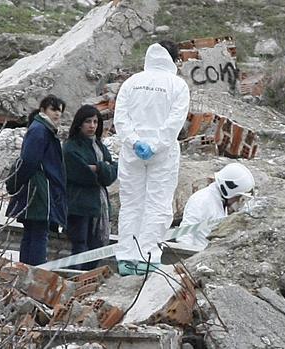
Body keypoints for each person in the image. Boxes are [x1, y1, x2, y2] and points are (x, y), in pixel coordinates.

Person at [113, 40, 190, 276]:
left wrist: (135, 141)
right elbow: (174, 123)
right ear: (174, 59)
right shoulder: (177, 85)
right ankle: (147, 259)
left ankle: (127, 259)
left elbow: (120, 118)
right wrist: (154, 145)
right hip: (163, 154)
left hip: (132, 152)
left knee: (131, 205)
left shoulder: (131, 83)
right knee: (157, 205)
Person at [6, 95, 67, 266]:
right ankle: (35, 272)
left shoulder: (40, 128)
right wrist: (17, 183)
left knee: (32, 232)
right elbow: (29, 161)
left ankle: (26, 270)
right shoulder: (40, 130)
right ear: (43, 110)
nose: (57, 114)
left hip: (36, 187)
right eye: (53, 109)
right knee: (39, 233)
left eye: (60, 112)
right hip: (38, 188)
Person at [63, 105, 118, 270]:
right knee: (80, 246)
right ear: (79, 123)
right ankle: (76, 279)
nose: (92, 125)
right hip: (78, 206)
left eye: (95, 121)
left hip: (98, 206)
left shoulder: (99, 146)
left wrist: (98, 167)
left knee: (96, 247)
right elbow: (82, 174)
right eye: (88, 121)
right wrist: (103, 168)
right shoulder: (71, 147)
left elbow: (111, 174)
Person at [177, 163, 255, 249]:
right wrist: (187, 259)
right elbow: (185, 234)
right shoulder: (202, 200)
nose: (238, 201)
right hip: (197, 254)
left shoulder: (220, 203)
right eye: (238, 197)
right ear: (229, 190)